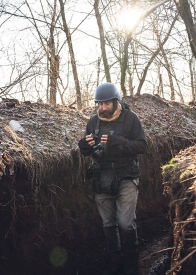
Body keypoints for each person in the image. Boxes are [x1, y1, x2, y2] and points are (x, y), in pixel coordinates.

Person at [78, 83, 147, 275]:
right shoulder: (93, 122)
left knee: (125, 224)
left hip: (126, 176)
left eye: (106, 103)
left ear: (116, 102)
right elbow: (89, 150)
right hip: (102, 178)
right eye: (99, 104)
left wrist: (119, 143)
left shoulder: (130, 119)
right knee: (108, 224)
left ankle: (132, 267)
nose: (103, 108)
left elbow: (142, 146)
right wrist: (84, 146)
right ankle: (116, 265)